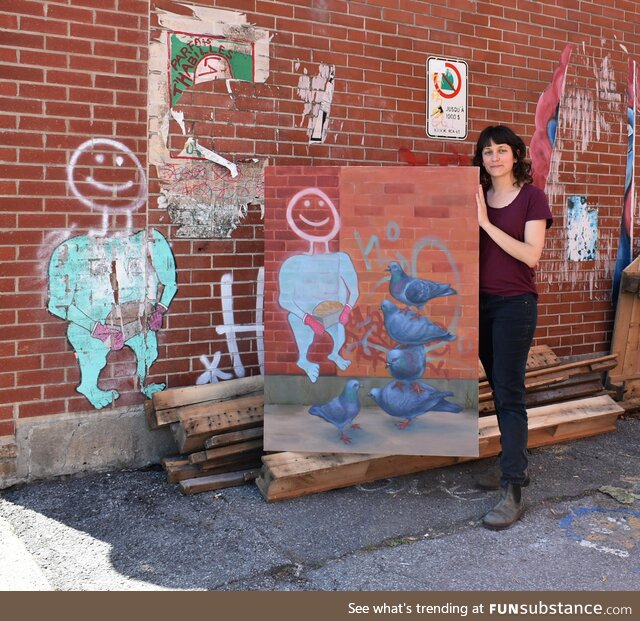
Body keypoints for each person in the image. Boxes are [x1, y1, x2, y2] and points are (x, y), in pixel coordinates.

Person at [473, 125, 553, 530]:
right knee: (498, 388)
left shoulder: (532, 198)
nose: (494, 157)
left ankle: (513, 488)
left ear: (517, 155)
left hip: (514, 306)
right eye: (487, 152)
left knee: (510, 394)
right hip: (478, 305)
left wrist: (486, 224)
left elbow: (531, 255)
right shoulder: (476, 196)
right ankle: (513, 465)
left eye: (502, 150)